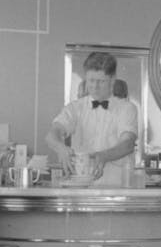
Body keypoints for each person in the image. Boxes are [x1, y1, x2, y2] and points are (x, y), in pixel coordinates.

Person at [46, 51, 138, 187]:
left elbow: (128, 144)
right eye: (91, 80)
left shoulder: (127, 109)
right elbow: (52, 134)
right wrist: (61, 148)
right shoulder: (75, 108)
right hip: (81, 190)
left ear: (112, 79)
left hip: (116, 189)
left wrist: (104, 156)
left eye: (101, 81)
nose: (94, 86)